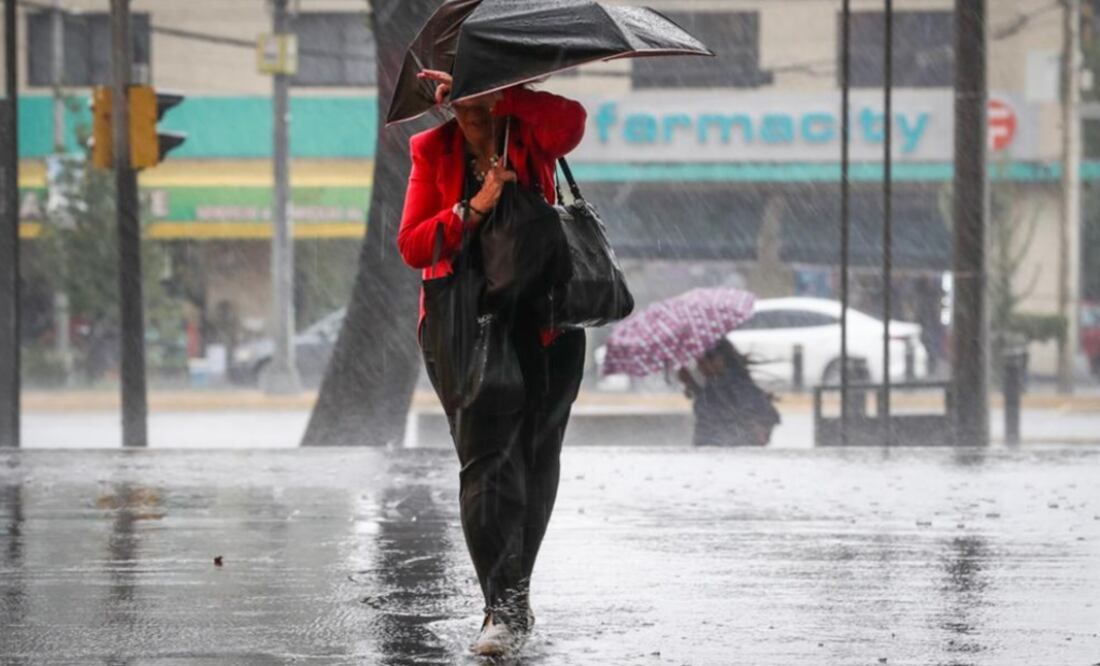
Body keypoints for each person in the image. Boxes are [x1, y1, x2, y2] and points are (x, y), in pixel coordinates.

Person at [396, 69, 587, 657]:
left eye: (478, 99)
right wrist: (473, 208)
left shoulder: (529, 132)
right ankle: (498, 609)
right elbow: (412, 244)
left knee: (536, 459)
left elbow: (573, 122)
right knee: (486, 465)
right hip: (465, 326)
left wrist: (503, 92)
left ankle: (516, 594)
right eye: (460, 103)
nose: (469, 113)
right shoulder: (432, 149)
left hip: (547, 321)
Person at [678, 339, 780, 447]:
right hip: (713, 448)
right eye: (699, 361)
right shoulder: (716, 382)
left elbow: (716, 410)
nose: (701, 365)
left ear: (721, 359)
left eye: (706, 360)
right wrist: (690, 383)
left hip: (724, 449)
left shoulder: (737, 385)